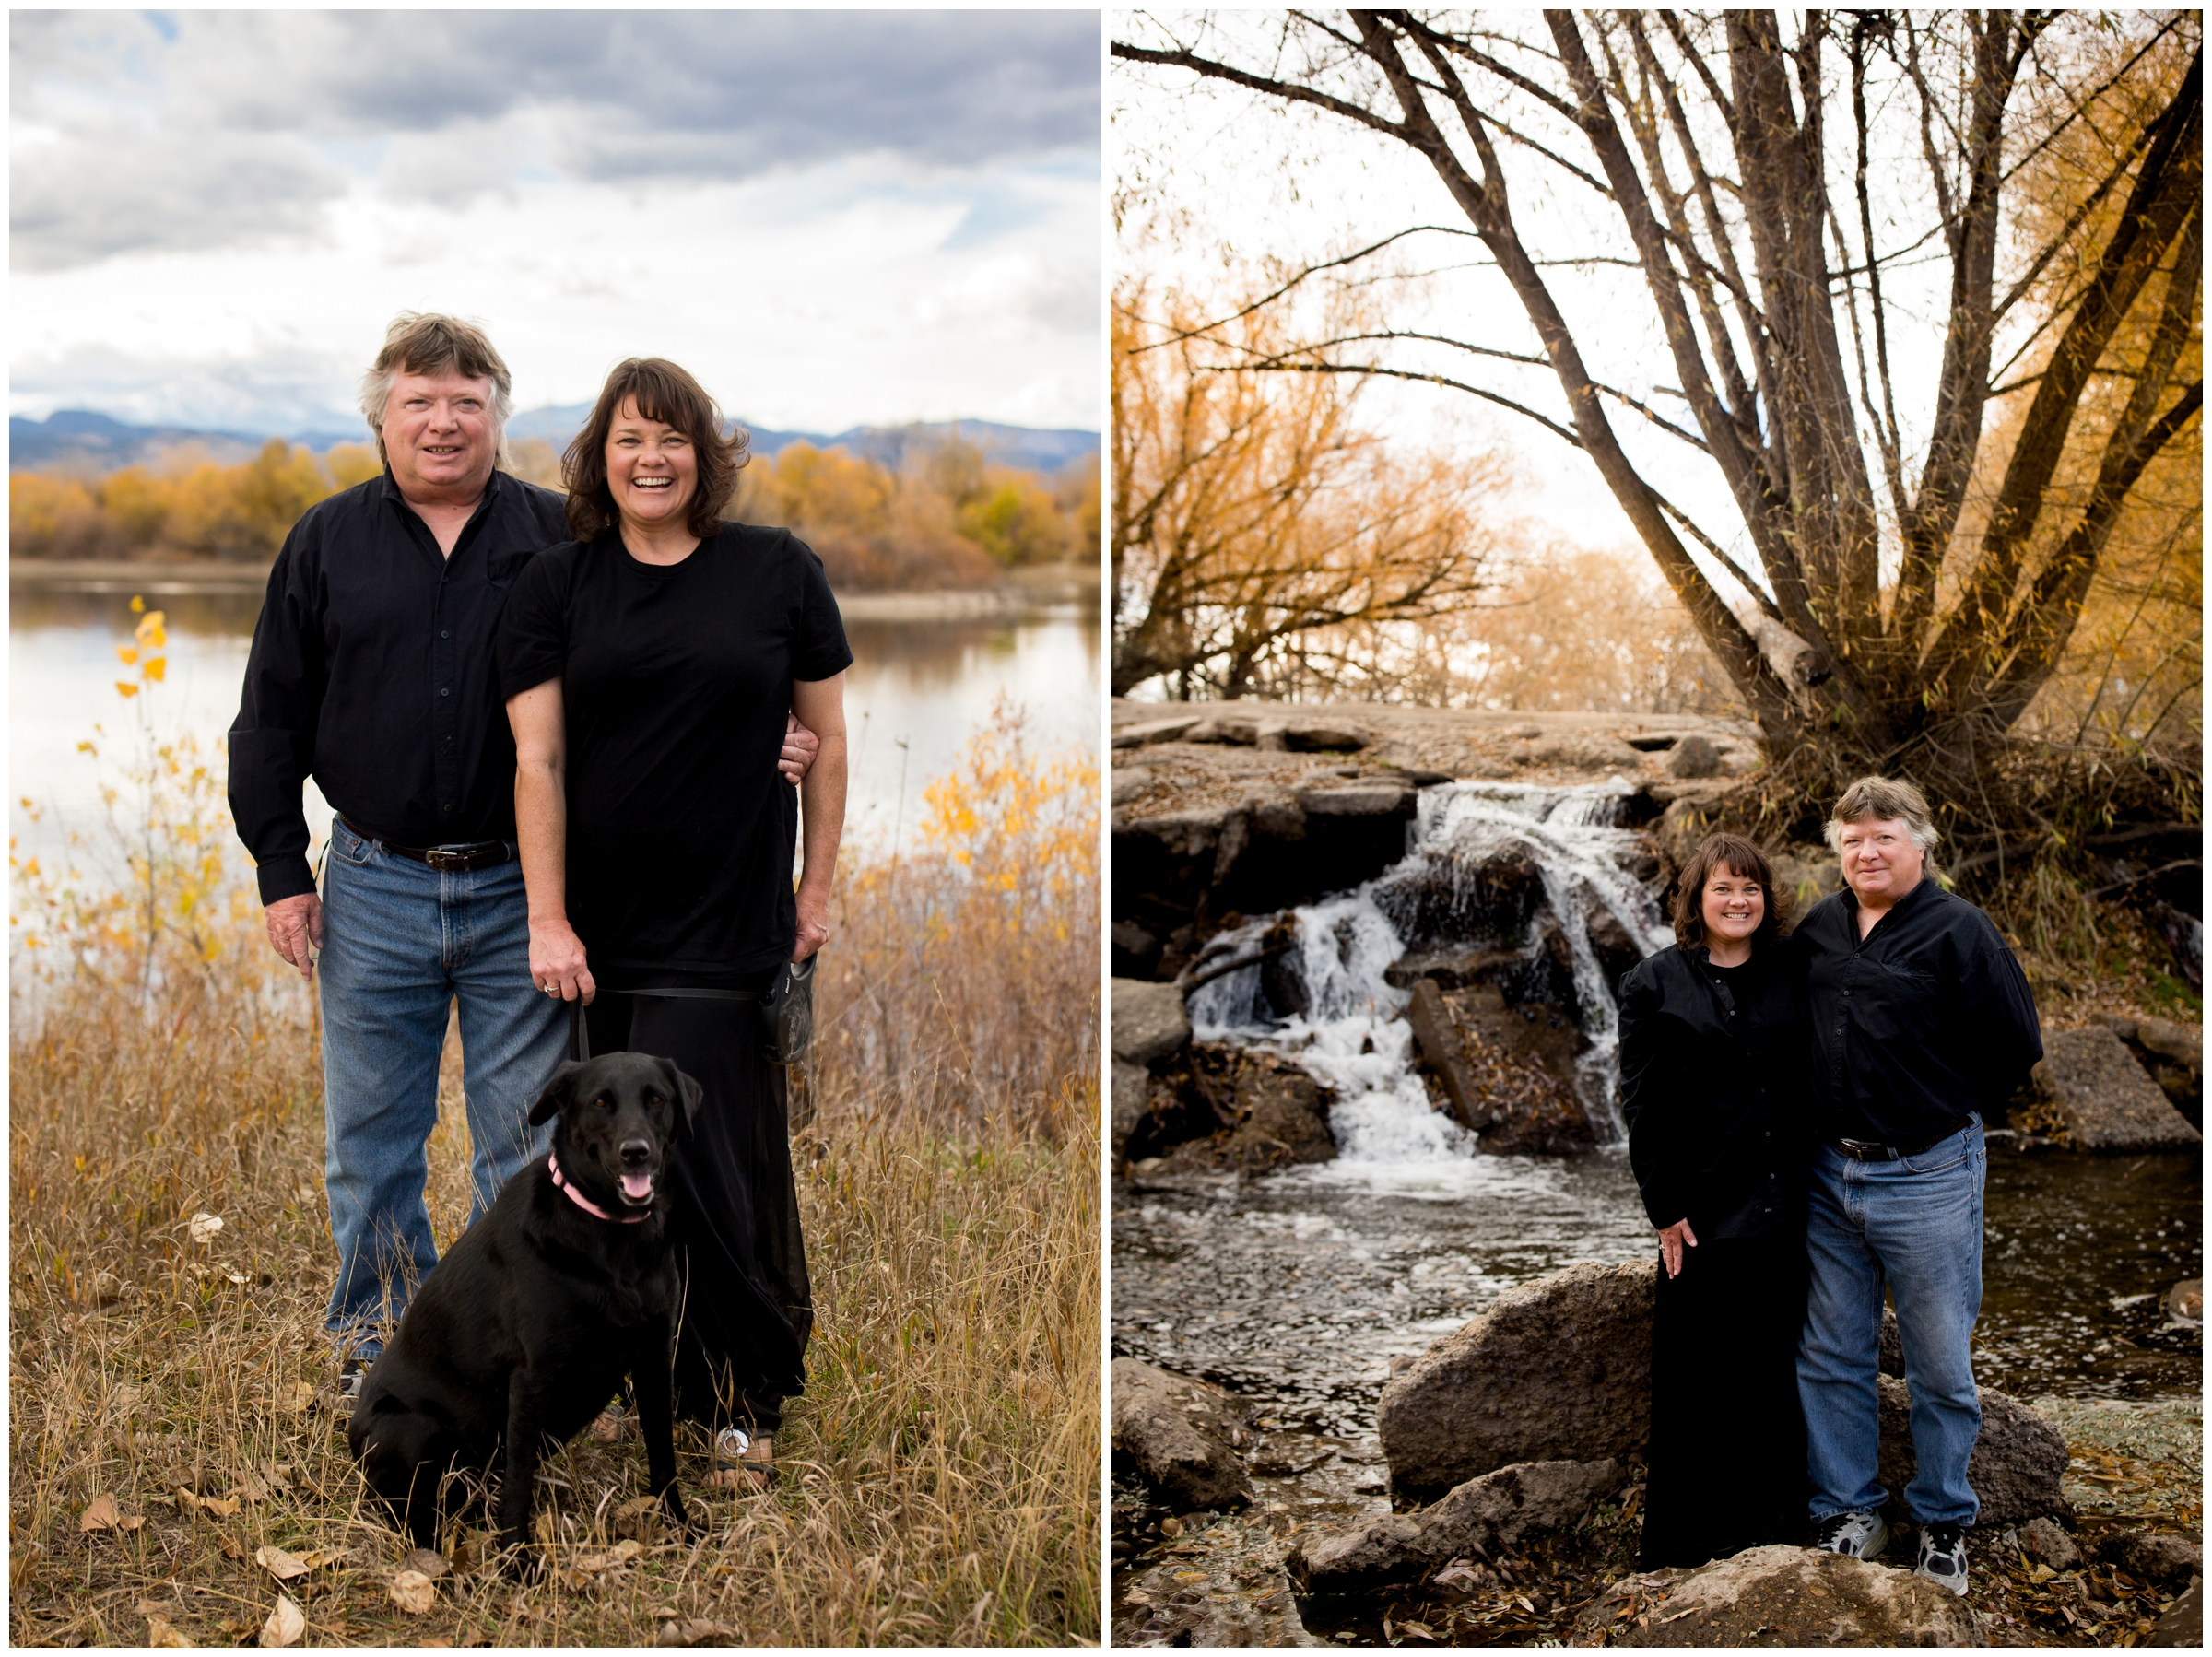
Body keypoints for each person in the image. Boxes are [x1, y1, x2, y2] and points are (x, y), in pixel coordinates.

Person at [228, 313, 816, 1395]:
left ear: (499, 416)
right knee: (371, 1144)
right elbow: (269, 718)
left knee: (525, 1147)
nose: (443, 422)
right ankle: (379, 1352)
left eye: (466, 401)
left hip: (522, 892)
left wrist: (759, 735)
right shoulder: (325, 541)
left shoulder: (561, 540)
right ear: (382, 418)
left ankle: (532, 1358)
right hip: (373, 879)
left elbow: (669, 648)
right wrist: (279, 873)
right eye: (420, 401)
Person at [499, 357, 850, 1488]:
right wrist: (548, 919)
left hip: (725, 924)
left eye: (672, 438)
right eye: (627, 439)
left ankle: (739, 1398)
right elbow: (537, 758)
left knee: (706, 1165)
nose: (651, 459)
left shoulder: (777, 571)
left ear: (706, 455)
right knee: (610, 1167)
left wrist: (816, 892)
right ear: (599, 459)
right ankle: (629, 1377)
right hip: (600, 935)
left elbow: (826, 741)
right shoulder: (558, 584)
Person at [1792, 776, 2042, 1595]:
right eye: (1854, 838)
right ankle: (1849, 1510)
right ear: (1839, 850)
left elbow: (2016, 1044)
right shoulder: (1822, 928)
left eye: (1884, 836)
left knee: (1938, 1361)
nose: (1868, 851)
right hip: (1830, 1171)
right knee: (1833, 1352)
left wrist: (1942, 1105)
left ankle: (1943, 1521)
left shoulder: (1960, 929)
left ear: (1920, 845)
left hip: (1927, 1173)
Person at [1618, 832, 1811, 1569]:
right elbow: (1643, 1105)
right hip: (1700, 1210)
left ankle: (1778, 1529)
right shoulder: (1654, 984)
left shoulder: (1794, 969)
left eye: (1751, 888)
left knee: (1775, 1371)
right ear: (1697, 899)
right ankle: (1689, 1542)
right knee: (1698, 1376)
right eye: (1724, 889)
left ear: (1768, 900)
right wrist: (1664, 1207)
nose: (1739, 901)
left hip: (1791, 1202)